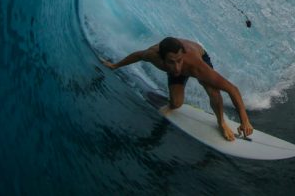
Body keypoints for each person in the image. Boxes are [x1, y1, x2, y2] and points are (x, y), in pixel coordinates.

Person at [102, 37, 253, 141]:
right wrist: (115, 66)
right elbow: (137, 56)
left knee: (213, 91)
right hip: (177, 55)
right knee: (176, 104)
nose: (177, 67)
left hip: (198, 58)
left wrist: (244, 120)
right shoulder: (152, 54)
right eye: (171, 62)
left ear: (183, 56)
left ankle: (221, 123)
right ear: (161, 58)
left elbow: (233, 89)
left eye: (179, 61)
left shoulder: (197, 67)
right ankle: (172, 101)